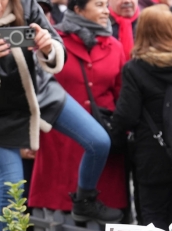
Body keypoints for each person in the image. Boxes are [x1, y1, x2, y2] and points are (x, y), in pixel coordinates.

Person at [0, 0, 122, 231]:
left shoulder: (26, 4)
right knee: (11, 191)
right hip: (3, 110)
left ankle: (84, 200)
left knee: (99, 141)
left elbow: (56, 44)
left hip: (41, 91)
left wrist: (47, 47)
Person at [28, 0, 127, 217]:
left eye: (106, 5)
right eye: (99, 5)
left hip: (104, 147)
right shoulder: (53, 43)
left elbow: (121, 97)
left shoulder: (115, 46)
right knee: (57, 223)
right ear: (78, 9)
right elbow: (34, 90)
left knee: (103, 225)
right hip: (60, 143)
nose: (106, 11)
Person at [111, 4, 172, 230]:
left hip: (151, 155)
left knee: (152, 221)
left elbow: (126, 115)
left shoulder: (136, 68)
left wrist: (111, 135)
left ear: (142, 31)